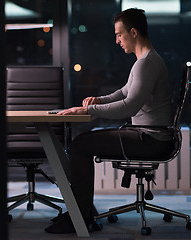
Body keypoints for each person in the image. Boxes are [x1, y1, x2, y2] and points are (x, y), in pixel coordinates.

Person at [44, 8, 174, 234]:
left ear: (133, 32)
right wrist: (98, 101)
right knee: (81, 144)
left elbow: (129, 105)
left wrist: (92, 111)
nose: (117, 40)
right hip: (150, 135)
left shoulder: (146, 63)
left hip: (150, 139)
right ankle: (82, 210)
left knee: (80, 145)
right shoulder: (145, 61)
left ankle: (81, 216)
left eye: (119, 35)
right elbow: (124, 92)